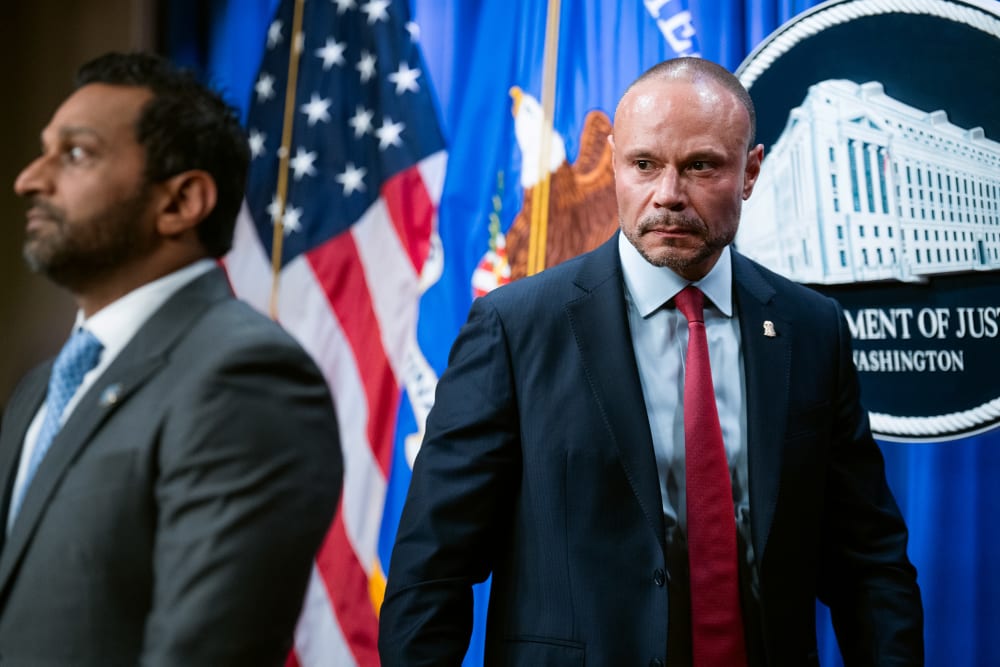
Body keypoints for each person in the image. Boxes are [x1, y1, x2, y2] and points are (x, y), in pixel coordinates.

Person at [379, 57, 923, 666]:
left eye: (700, 166)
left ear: (750, 172)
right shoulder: (514, 327)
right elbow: (432, 573)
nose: (668, 195)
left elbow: (868, 563)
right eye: (644, 165)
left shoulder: (812, 328)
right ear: (613, 165)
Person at [0, 52, 343, 665]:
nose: (30, 178)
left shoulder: (246, 375)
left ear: (181, 202)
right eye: (42, 150)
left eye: (75, 154)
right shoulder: (39, 389)